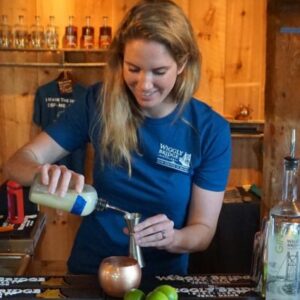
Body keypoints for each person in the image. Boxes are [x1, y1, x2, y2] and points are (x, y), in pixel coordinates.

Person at [3, 0, 231, 276]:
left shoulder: (210, 130)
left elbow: (203, 231)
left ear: (182, 64)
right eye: (133, 68)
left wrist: (174, 239)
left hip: (163, 280)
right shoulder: (98, 103)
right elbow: (16, 164)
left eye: (158, 72)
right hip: (92, 270)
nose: (144, 85)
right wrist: (44, 173)